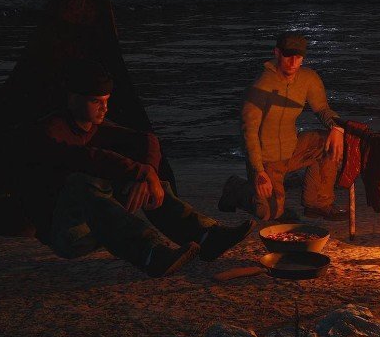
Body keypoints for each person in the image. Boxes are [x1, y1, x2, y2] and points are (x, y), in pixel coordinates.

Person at [21, 59, 254, 277]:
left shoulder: (96, 126)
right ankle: (150, 253)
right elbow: (86, 157)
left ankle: (206, 237)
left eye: (106, 101)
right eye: (96, 101)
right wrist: (141, 172)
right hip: (66, 234)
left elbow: (147, 140)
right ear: (73, 99)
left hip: (101, 225)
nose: (104, 108)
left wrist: (147, 175)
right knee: (83, 182)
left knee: (147, 184)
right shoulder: (50, 132)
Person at [219, 32, 348, 222]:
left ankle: (317, 203)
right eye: (288, 56)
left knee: (328, 143)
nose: (293, 62)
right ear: (277, 53)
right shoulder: (261, 86)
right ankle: (235, 188)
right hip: (267, 160)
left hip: (293, 148)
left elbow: (322, 109)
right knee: (269, 212)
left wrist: (337, 128)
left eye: (298, 57)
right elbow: (249, 133)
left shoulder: (308, 79)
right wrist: (258, 171)